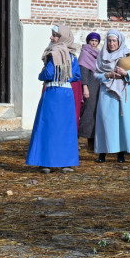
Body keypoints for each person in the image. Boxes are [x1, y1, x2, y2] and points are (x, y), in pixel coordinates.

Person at [25, 25, 80, 173]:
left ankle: (45, 162)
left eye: (55, 35)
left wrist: (41, 75)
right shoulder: (72, 55)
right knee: (65, 128)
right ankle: (66, 163)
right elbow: (77, 75)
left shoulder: (55, 53)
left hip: (53, 92)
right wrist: (65, 76)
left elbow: (48, 74)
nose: (52, 38)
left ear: (61, 37)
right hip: (67, 93)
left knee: (47, 127)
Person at [94, 29, 130, 163]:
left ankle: (121, 154)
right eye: (109, 40)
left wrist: (126, 73)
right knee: (105, 121)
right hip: (107, 93)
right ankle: (102, 153)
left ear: (119, 41)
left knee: (121, 122)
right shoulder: (101, 55)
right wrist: (108, 75)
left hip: (123, 93)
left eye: (114, 40)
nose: (111, 43)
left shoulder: (127, 54)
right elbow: (95, 75)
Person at [77, 32, 101, 152]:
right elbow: (83, 72)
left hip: (98, 87)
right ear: (88, 41)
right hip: (89, 88)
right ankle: (77, 139)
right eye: (92, 40)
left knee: (94, 115)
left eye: (96, 41)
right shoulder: (85, 54)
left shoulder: (98, 54)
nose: (94, 43)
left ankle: (91, 144)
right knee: (87, 115)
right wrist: (85, 87)